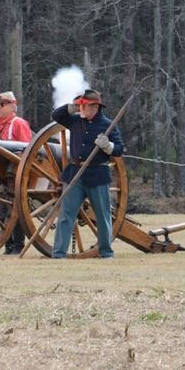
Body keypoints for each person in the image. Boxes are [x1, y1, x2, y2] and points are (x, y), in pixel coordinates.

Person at [50, 89, 124, 259]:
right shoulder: (75, 120)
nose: (81, 109)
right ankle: (59, 253)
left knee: (103, 216)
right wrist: (73, 107)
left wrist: (108, 146)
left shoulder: (108, 125)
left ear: (95, 107)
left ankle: (106, 252)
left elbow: (119, 149)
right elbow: (56, 115)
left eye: (84, 106)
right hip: (75, 173)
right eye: (80, 106)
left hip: (97, 174)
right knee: (66, 215)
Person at [0, 91, 34, 254]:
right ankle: (7, 245)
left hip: (15, 172)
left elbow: (27, 150)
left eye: (3, 104)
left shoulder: (19, 123)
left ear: (12, 106)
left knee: (15, 210)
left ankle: (18, 246)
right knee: (0, 211)